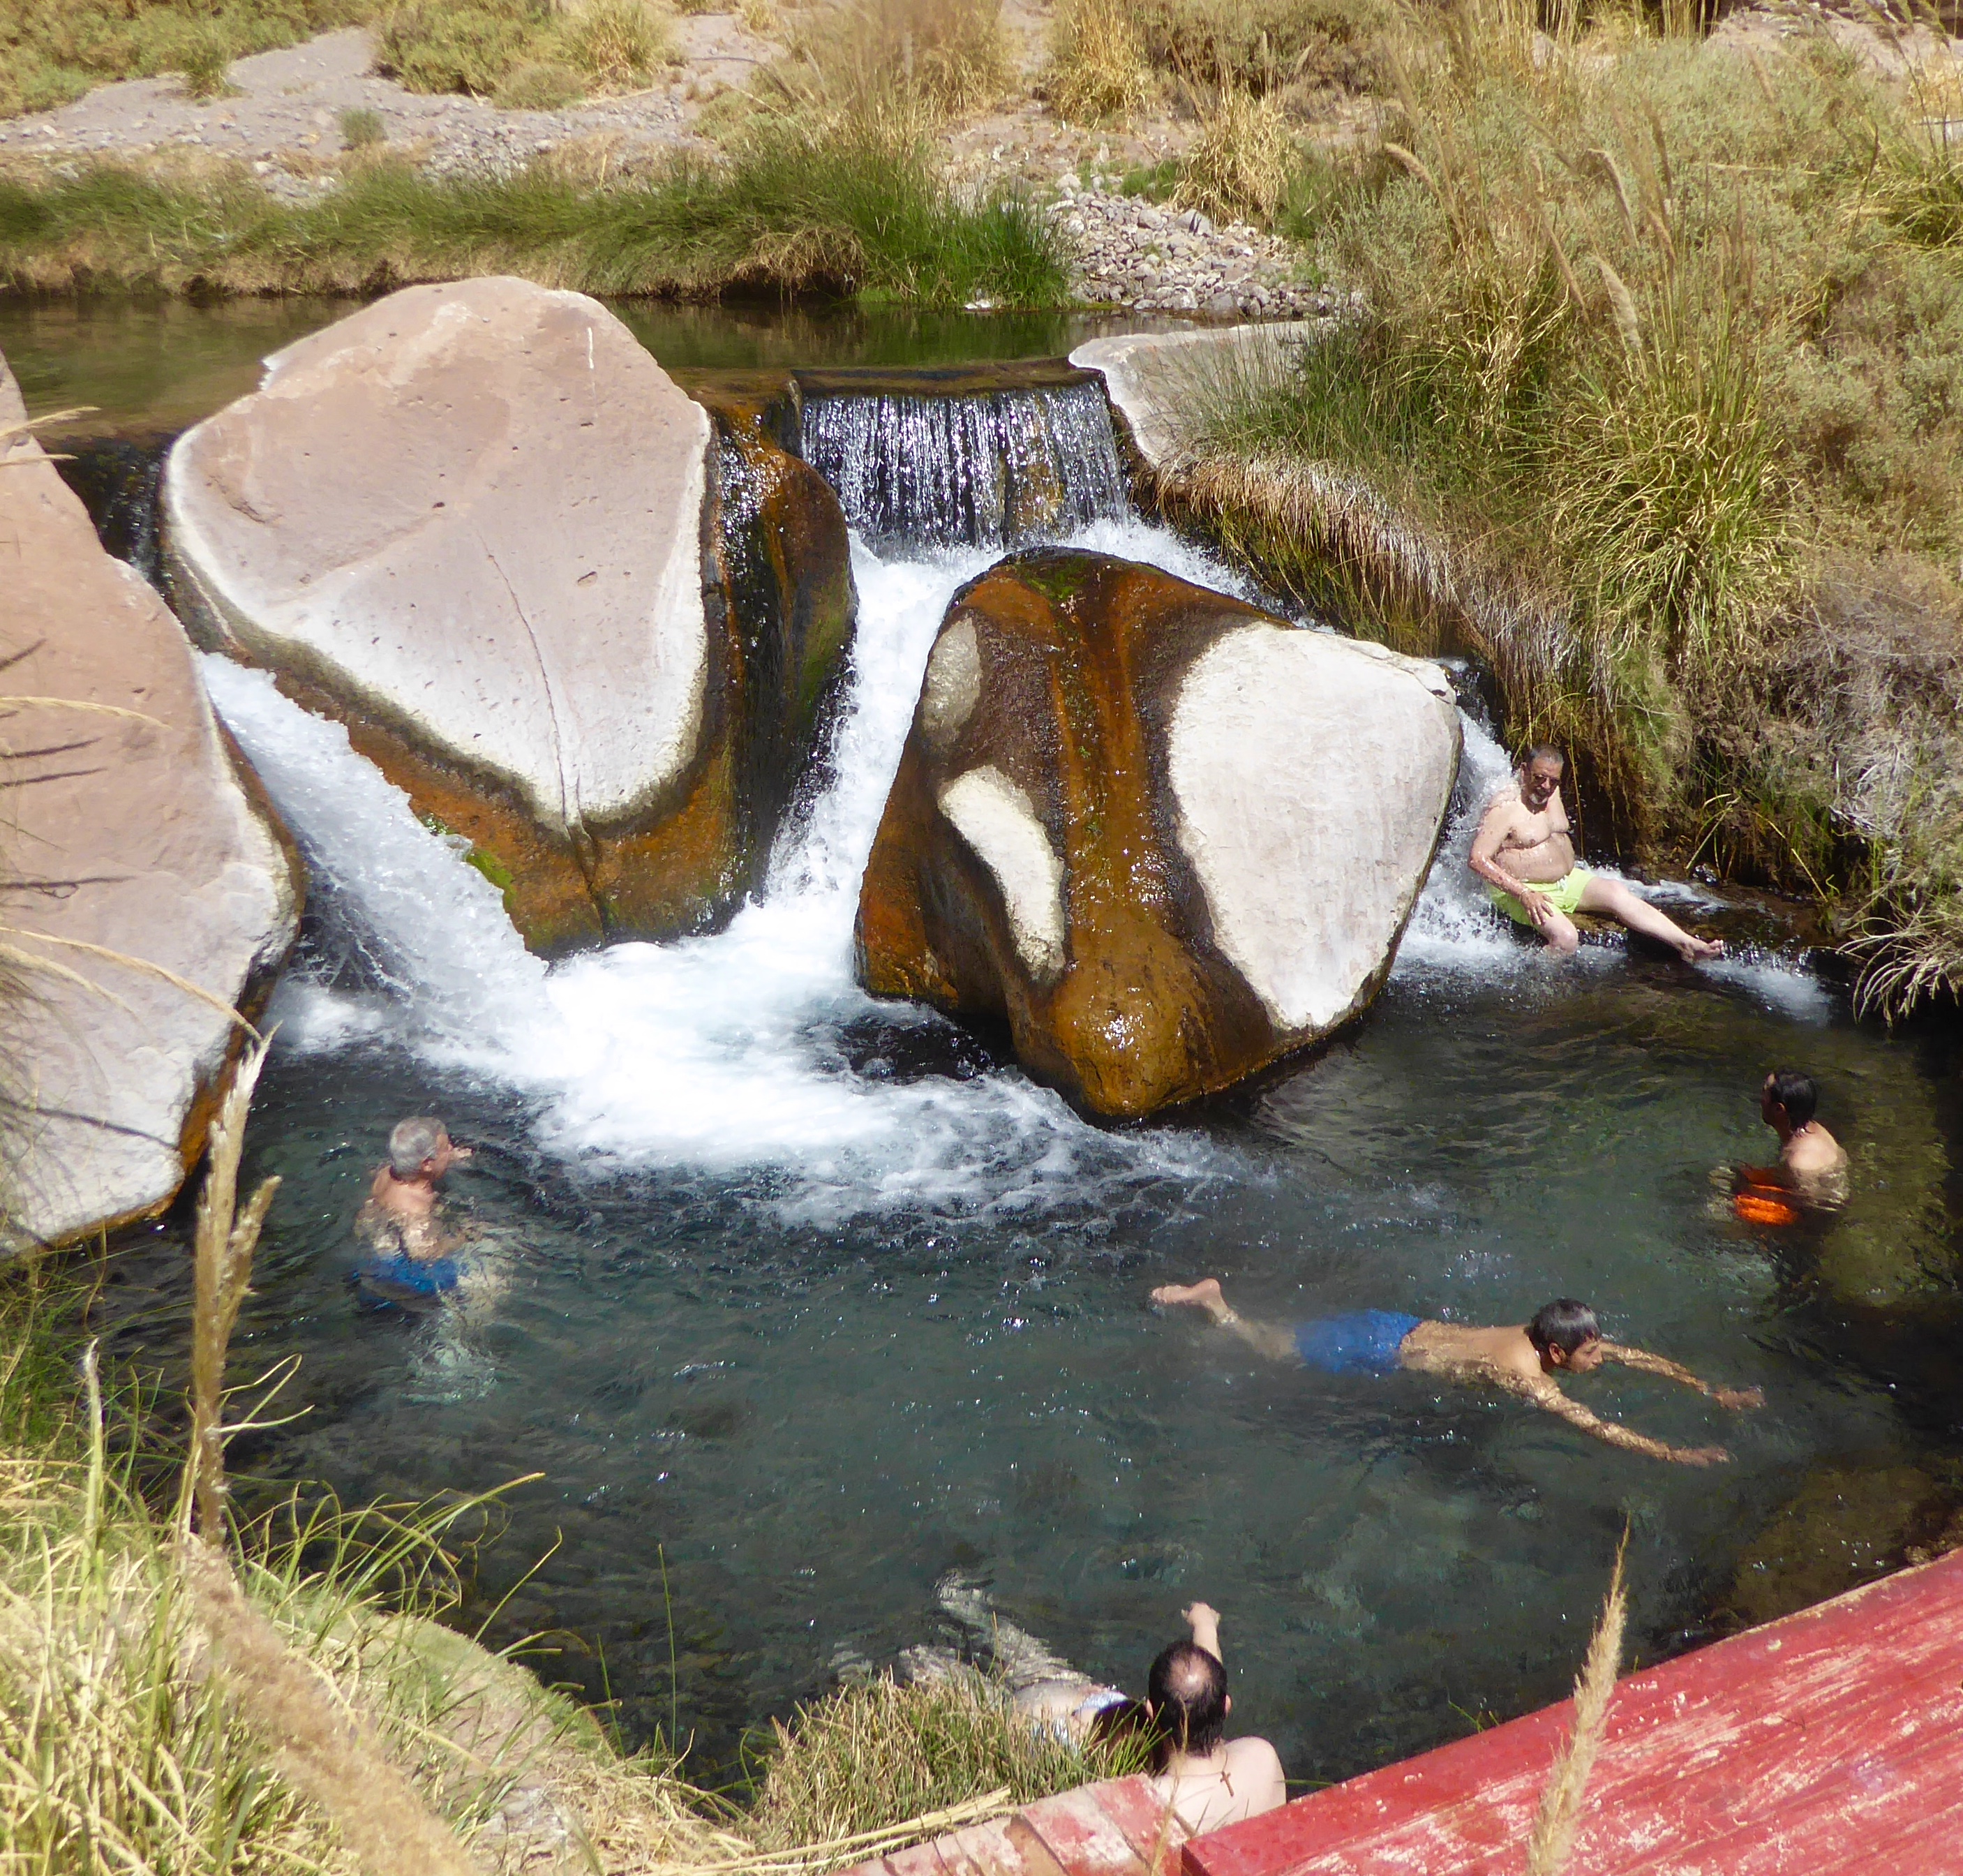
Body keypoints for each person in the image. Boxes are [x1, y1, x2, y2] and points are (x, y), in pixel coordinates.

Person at [1151, 1280, 1762, 1466]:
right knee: (1275, 1350)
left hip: (1399, 1323)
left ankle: (1224, 1309)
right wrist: (1670, 1453)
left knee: (1288, 1342)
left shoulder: (1550, 1333)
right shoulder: (1527, 1377)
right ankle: (1218, 1306)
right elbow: (1592, 1426)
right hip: (1380, 1349)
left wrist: (1709, 1390)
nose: (1601, 1359)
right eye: (1590, 1356)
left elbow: (1635, 1356)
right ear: (1555, 1354)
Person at [1469, 745, 1722, 962]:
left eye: (1553, 781)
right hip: (1524, 890)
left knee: (1616, 892)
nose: (1546, 786)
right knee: (1567, 938)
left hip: (1565, 882)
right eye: (1539, 778)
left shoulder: (1550, 792)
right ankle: (1533, 986)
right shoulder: (1505, 807)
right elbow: (1478, 860)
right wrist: (1524, 894)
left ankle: (1687, 944)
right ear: (1524, 771)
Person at [1144, 1603, 1286, 1834]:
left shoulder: (1158, 1805)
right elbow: (1207, 1694)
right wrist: (1206, 1627)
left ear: (1151, 1713)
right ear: (1227, 1706)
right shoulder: (1263, 1757)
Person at [353, 1116, 473, 1305]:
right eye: (446, 1148)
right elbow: (422, 1251)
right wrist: (464, 1236)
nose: (451, 1149)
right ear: (426, 1164)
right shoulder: (416, 1207)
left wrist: (450, 1157)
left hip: (370, 1250)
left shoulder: (387, 1172)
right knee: (491, 1276)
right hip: (396, 1273)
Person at [1730, 1069, 1849, 1218]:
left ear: (1779, 1109)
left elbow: (1808, 1204)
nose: (1760, 1099)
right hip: (1802, 1190)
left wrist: (1744, 1189)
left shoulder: (1800, 1160)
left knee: (1727, 1197)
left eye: (1764, 1093)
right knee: (1737, 1175)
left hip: (1812, 1217)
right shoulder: (1812, 1128)